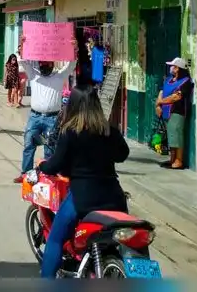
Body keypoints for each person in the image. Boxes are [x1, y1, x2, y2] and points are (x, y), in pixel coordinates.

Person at [36, 85, 130, 278]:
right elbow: (123, 154)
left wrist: (42, 165)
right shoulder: (109, 130)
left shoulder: (70, 132)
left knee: (54, 239)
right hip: (115, 199)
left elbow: (56, 164)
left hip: (83, 200)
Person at [12, 34, 77, 184]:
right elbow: (22, 60)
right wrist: (22, 44)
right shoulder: (34, 75)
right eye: (42, 63)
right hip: (34, 117)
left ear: (52, 64)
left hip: (52, 118)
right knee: (29, 145)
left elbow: (71, 64)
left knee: (50, 148)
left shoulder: (60, 76)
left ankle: (48, 174)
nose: (44, 66)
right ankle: (25, 174)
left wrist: (74, 48)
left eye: (47, 63)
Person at [156, 57, 194, 170]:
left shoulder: (186, 82)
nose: (171, 68)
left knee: (177, 135)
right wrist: (157, 105)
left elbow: (176, 97)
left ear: (178, 69)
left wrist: (160, 102)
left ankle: (178, 161)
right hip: (166, 112)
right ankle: (172, 158)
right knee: (171, 135)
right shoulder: (169, 80)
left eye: (174, 66)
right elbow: (162, 91)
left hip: (177, 112)